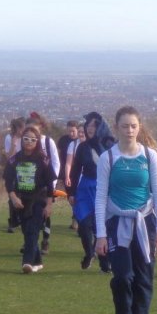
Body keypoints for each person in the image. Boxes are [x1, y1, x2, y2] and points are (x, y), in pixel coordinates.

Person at [95, 106, 157, 314]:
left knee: (144, 280)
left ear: (139, 128)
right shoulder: (109, 157)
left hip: (145, 223)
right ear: (116, 127)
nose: (129, 130)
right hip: (117, 223)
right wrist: (101, 235)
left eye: (133, 126)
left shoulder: (149, 156)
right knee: (123, 277)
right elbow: (100, 197)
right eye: (124, 125)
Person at [3, 125, 56, 274]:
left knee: (33, 231)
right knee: (27, 232)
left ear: (37, 141)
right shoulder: (14, 160)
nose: (29, 142)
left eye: (33, 139)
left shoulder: (43, 160)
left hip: (38, 200)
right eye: (26, 139)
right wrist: (13, 197)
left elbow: (50, 185)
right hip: (21, 201)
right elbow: (8, 181)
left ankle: (26, 262)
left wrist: (49, 205)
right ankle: (37, 261)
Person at [67, 112, 115, 273]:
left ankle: (105, 262)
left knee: (101, 227)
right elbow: (75, 170)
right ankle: (89, 253)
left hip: (104, 188)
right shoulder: (83, 147)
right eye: (88, 125)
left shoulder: (110, 145)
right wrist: (71, 192)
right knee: (84, 224)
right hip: (85, 188)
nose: (90, 128)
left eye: (94, 125)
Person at [25, 112, 61, 254]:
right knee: (27, 212)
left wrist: (52, 181)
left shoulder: (48, 142)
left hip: (46, 184)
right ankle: (29, 241)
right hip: (28, 185)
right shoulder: (25, 143)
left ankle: (45, 239)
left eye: (34, 129)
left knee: (45, 213)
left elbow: (56, 162)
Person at [3, 117, 26, 233]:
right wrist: (13, 144)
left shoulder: (27, 138)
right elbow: (9, 157)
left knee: (23, 196)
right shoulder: (9, 138)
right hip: (13, 170)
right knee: (12, 196)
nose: (22, 131)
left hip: (25, 170)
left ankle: (22, 220)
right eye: (20, 128)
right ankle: (12, 221)